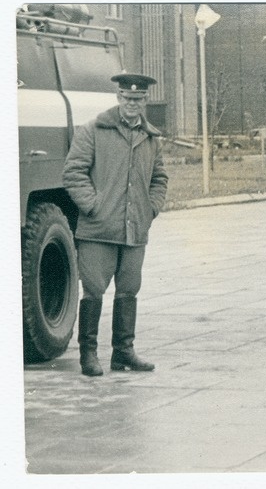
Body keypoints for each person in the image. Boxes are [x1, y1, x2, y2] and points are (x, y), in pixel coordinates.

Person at [63, 72, 168, 377]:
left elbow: (159, 178)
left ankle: (123, 352)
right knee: (94, 291)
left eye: (138, 99)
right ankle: (89, 355)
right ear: (118, 98)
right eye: (126, 98)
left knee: (129, 290)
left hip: (135, 230)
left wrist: (151, 208)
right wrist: (94, 206)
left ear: (144, 100)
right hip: (98, 230)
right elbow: (73, 173)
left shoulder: (150, 138)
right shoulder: (93, 130)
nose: (132, 104)